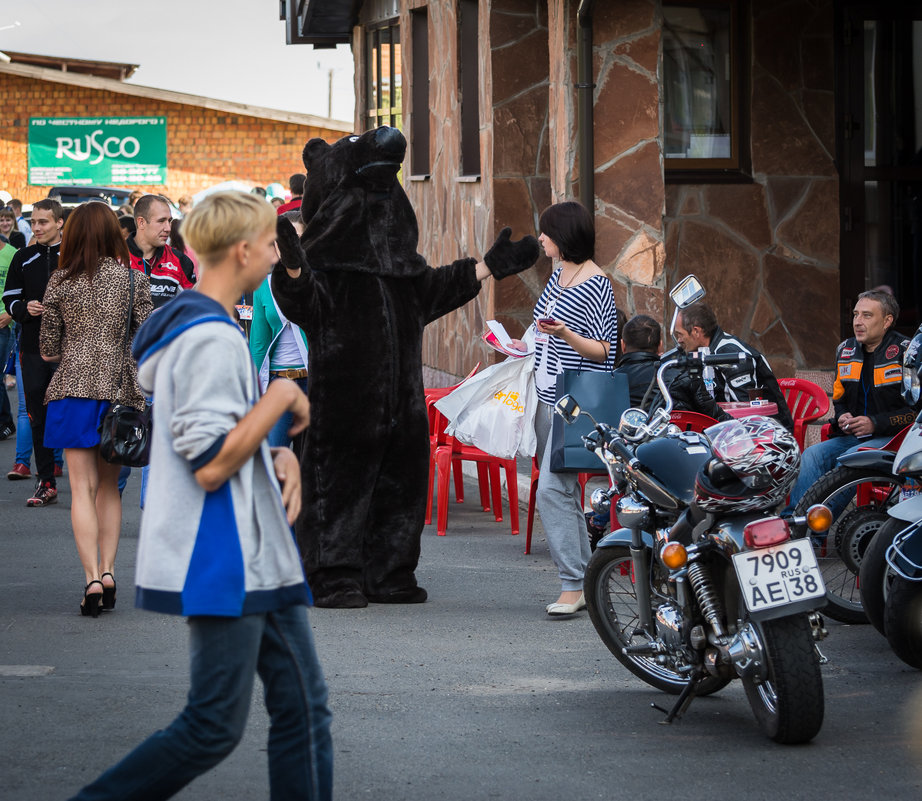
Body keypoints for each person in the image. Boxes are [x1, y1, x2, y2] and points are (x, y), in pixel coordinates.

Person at [66, 190, 333, 801]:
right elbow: (210, 464)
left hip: (244, 551)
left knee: (298, 709)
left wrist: (271, 452)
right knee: (217, 724)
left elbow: (212, 441)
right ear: (241, 249)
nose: (276, 254)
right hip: (227, 553)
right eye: (270, 242)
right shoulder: (209, 337)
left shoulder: (203, 326)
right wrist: (282, 400)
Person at [39, 202, 153, 616]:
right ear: (113, 233)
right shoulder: (132, 280)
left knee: (80, 490)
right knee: (110, 487)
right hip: (119, 392)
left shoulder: (59, 281)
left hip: (71, 389)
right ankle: (108, 571)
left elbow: (48, 349)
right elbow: (148, 336)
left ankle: (89, 579)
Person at [531, 201, 618, 617]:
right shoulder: (558, 273)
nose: (540, 238)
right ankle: (587, 580)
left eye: (546, 232)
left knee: (551, 488)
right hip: (548, 395)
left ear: (563, 236)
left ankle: (572, 583)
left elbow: (605, 351)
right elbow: (543, 325)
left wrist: (564, 332)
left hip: (575, 403)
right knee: (563, 489)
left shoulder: (598, 282)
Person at [786, 290, 916, 510]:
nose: (858, 322)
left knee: (849, 458)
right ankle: (794, 523)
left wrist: (875, 422)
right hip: (855, 437)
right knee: (811, 455)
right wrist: (842, 415)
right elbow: (840, 399)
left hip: (895, 439)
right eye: (856, 315)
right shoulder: (845, 350)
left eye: (867, 315)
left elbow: (916, 412)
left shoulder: (907, 353)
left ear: (887, 321)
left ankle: (817, 528)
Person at [1, 198, 64, 506]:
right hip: (32, 346)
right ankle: (46, 481)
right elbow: (9, 297)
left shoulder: (74, 256)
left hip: (70, 349)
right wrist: (23, 308)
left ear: (59, 223)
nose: (36, 227)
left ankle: (74, 474)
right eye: (34, 222)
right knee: (37, 413)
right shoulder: (24, 256)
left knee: (71, 412)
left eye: (44, 222)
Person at [673, 300, 795, 431]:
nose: (678, 340)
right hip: (731, 429)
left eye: (680, 334)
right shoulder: (703, 353)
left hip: (768, 433)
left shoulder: (731, 354)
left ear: (696, 331)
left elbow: (746, 412)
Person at [250, 211, 309, 448]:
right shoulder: (262, 285)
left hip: (312, 382)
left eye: (296, 237)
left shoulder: (319, 281)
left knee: (311, 466)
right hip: (277, 383)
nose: (289, 244)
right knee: (274, 457)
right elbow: (258, 343)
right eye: (283, 238)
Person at [127, 194, 196, 308]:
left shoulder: (180, 261)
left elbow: (192, 308)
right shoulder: (115, 256)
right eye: (161, 221)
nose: (168, 228)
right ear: (141, 222)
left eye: (169, 221)